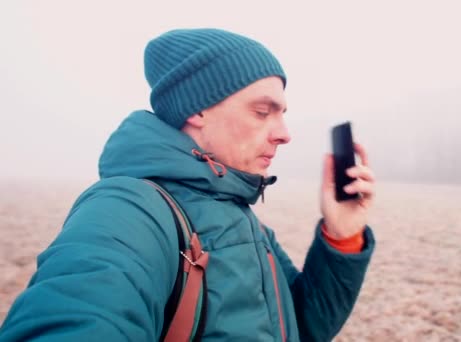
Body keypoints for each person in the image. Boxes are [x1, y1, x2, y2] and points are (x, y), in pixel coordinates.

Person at [0, 28, 375, 341]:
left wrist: (341, 237)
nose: (284, 134)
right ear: (197, 110)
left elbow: (301, 328)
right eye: (262, 112)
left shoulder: (245, 218)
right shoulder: (127, 209)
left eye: (282, 114)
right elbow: (77, 314)